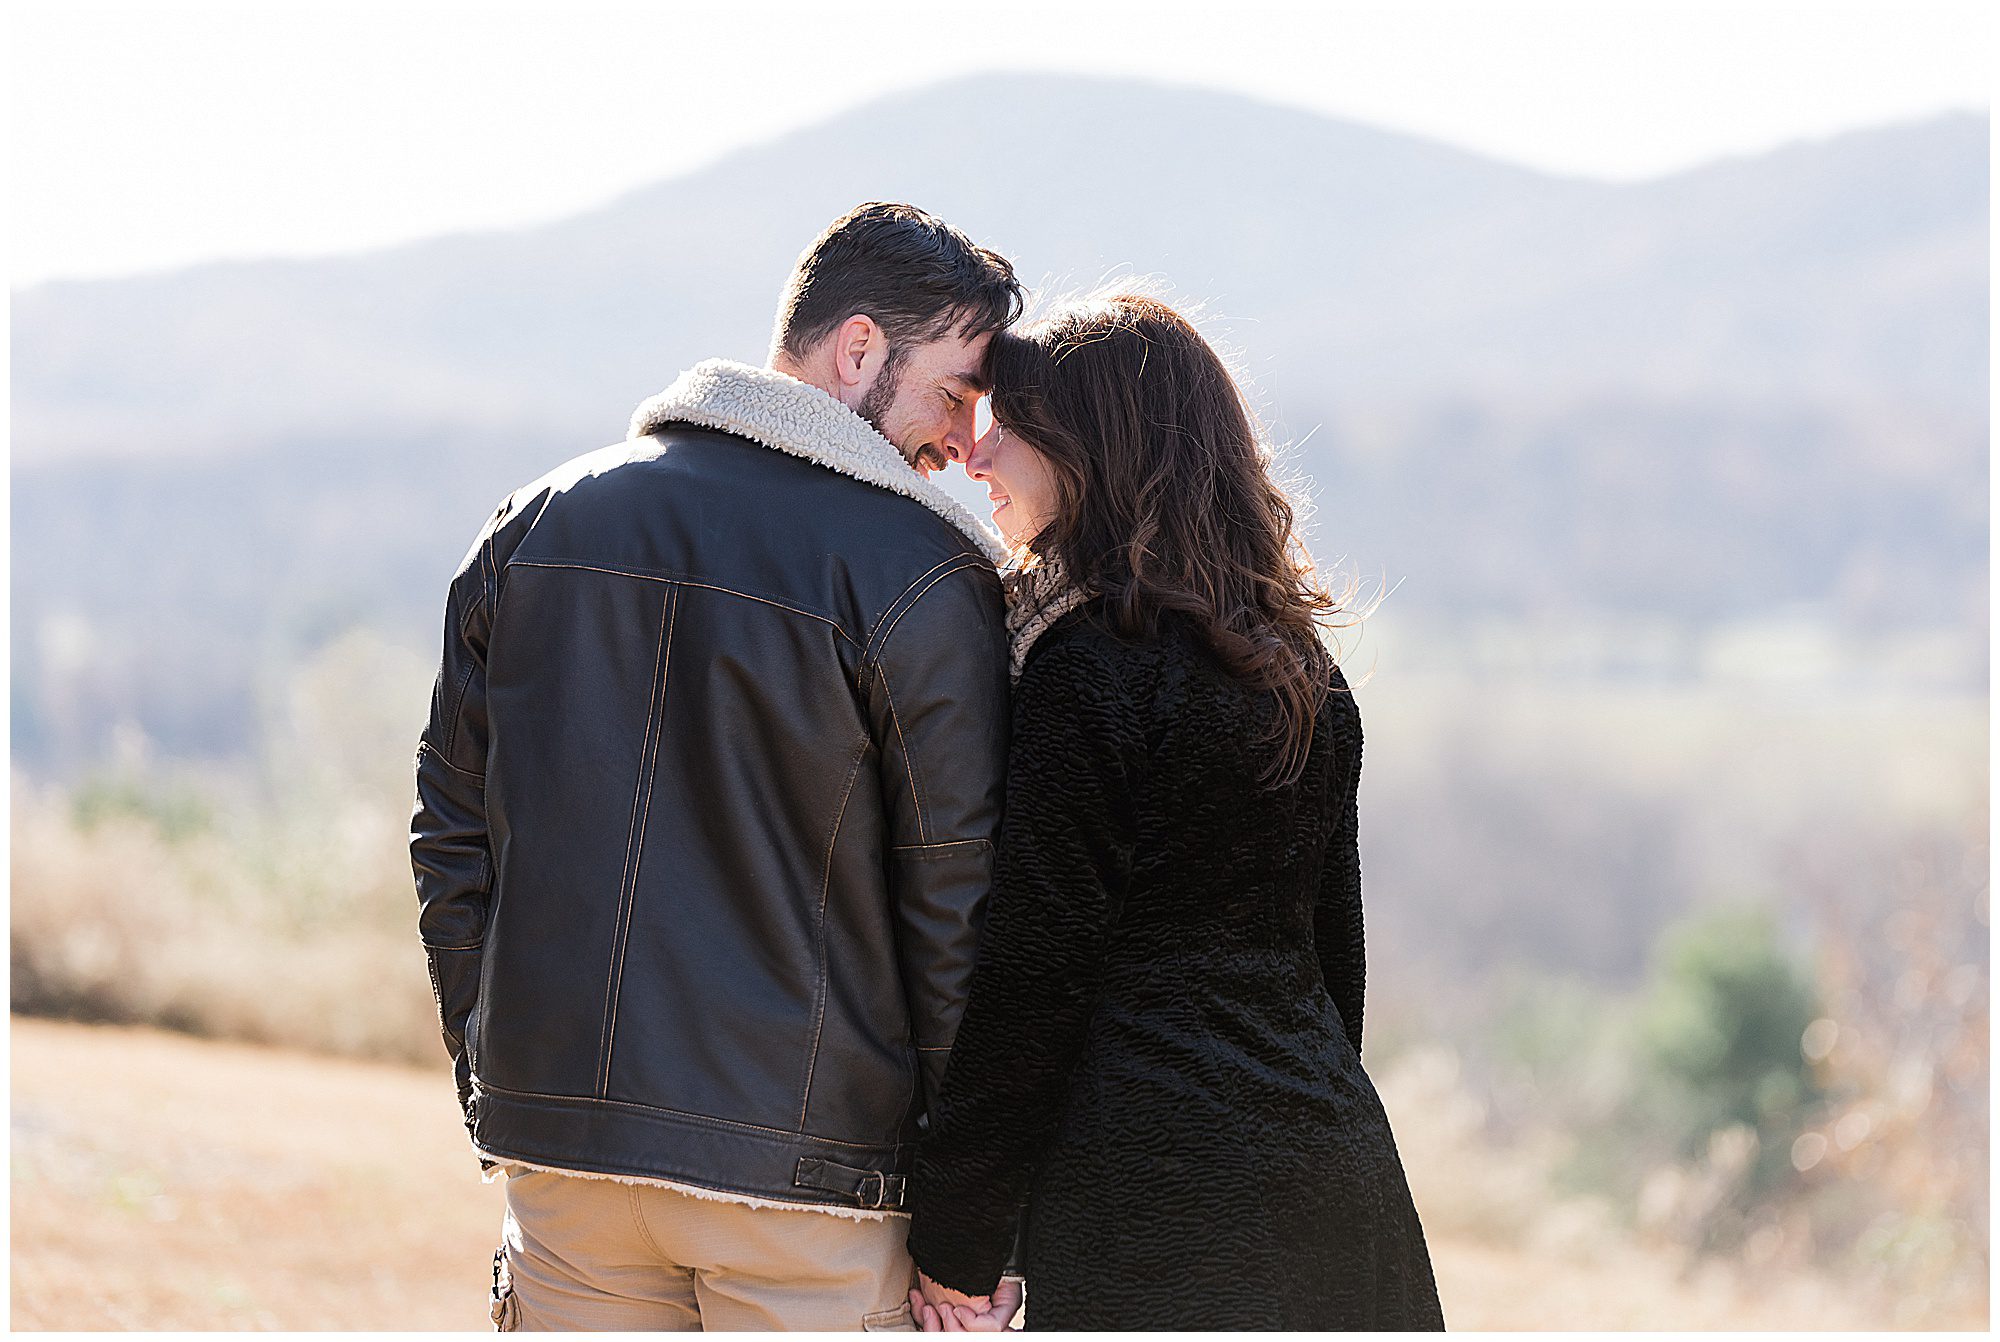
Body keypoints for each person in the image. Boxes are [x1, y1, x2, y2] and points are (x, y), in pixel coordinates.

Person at [410, 202, 1022, 1330]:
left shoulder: (533, 523)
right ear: (857, 351)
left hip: (565, 1167)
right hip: (810, 1195)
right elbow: (957, 909)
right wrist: (966, 1216)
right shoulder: (926, 576)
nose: (959, 440)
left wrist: (494, 1069)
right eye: (953, 390)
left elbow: (450, 839)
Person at [901, 292, 1446, 1331]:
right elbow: (1333, 968)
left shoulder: (1084, 667)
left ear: (1089, 448)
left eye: (1006, 425)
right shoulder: (1301, 672)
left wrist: (958, 1235)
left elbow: (1035, 970)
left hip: (1154, 1200)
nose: (975, 456)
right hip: (1330, 1170)